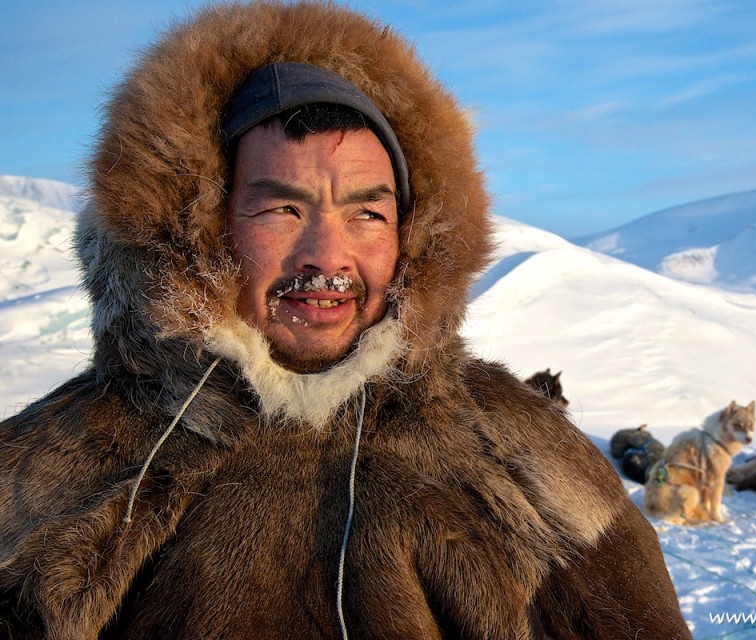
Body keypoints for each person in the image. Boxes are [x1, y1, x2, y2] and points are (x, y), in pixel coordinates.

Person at [0, 3, 693, 639]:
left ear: (414, 235)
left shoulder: (524, 464)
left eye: (367, 213)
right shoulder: (48, 471)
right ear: (201, 231)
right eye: (282, 210)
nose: (327, 257)